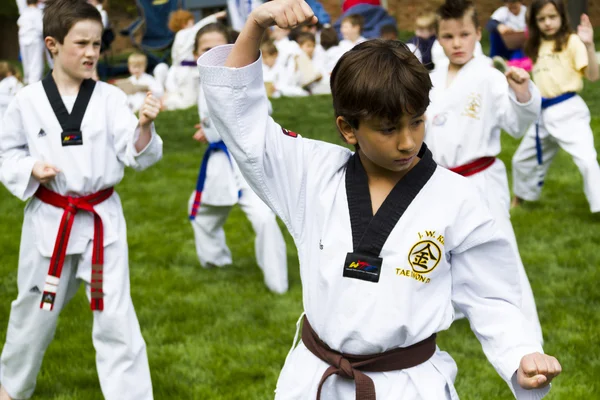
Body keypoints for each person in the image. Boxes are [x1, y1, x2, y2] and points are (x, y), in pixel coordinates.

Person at [196, 0, 561, 398]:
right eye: (388, 129)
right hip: (316, 378)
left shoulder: (458, 198)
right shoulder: (312, 175)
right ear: (347, 129)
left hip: (407, 384)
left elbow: (492, 295)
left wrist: (520, 354)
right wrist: (254, 24)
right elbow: (242, 123)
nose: (407, 141)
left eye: (417, 121)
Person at [0, 0, 163, 399]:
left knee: (116, 317)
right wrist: (29, 170)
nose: (92, 52)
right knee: (32, 313)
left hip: (101, 219)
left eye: (97, 43)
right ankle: (10, 389)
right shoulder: (25, 101)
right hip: (50, 218)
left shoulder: (109, 98)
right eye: (81, 44)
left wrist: (143, 127)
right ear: (52, 44)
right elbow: (6, 153)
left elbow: (134, 151)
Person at [424, 0, 543, 342]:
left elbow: (515, 123)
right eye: (448, 36)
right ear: (439, 38)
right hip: (440, 179)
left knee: (501, 252)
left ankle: (527, 339)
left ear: (478, 33)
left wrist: (521, 92)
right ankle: (456, 309)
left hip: (480, 178)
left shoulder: (489, 76)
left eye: (464, 34)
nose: (457, 43)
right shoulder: (430, 79)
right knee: (441, 251)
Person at [190, 23, 288, 294]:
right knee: (202, 214)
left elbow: (260, 110)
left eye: (217, 48)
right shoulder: (203, 82)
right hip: (219, 160)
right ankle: (215, 260)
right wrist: (209, 130)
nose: (211, 54)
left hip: (246, 161)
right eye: (204, 49)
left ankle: (277, 283)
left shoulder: (242, 77)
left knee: (264, 218)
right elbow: (213, 116)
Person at [511, 0, 600, 213]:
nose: (547, 22)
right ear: (534, 22)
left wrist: (588, 45)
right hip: (542, 114)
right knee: (521, 160)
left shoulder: (572, 42)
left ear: (562, 17)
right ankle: (520, 199)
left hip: (568, 111)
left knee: (587, 160)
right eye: (541, 19)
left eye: (552, 17)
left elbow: (593, 76)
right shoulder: (535, 45)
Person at [18, 0, 44, 84]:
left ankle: (27, 80)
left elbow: (19, 23)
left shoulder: (24, 12)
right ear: (38, 2)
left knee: (27, 62)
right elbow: (41, 28)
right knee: (35, 62)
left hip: (23, 39)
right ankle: (34, 82)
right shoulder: (38, 13)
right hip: (34, 40)